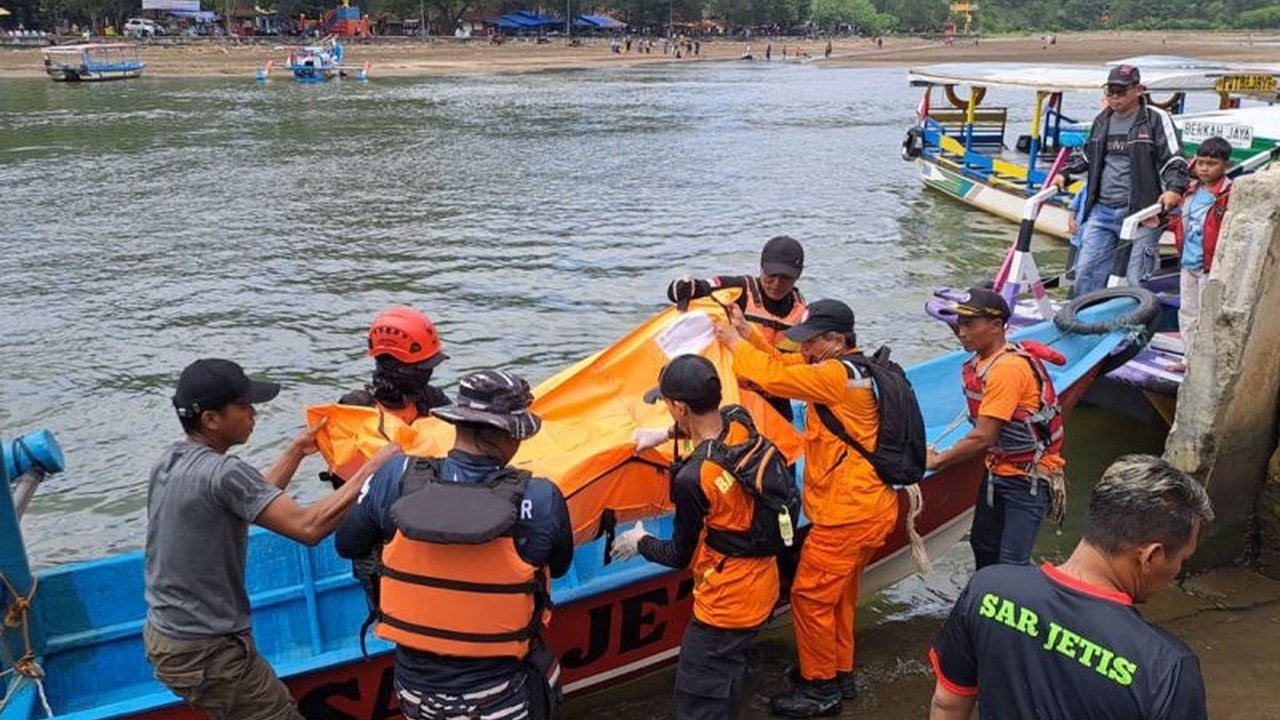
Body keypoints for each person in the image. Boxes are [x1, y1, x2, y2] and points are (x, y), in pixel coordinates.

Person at [144, 358, 395, 720]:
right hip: (209, 650)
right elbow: (309, 528)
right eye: (243, 407)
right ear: (211, 419)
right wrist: (373, 469)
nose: (253, 413)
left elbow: (248, 499)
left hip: (166, 637)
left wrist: (295, 451)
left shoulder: (169, 460)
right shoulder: (225, 472)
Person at [335, 369, 574, 720]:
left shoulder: (393, 477)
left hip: (415, 692)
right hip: (499, 695)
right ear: (511, 435)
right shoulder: (539, 498)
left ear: (457, 423)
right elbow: (561, 564)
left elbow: (348, 544)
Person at [717, 300, 899, 717]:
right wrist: (746, 332)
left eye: (812, 342)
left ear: (837, 340)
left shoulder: (835, 377)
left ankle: (820, 688)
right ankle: (840, 672)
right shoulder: (855, 370)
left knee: (810, 599)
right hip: (870, 508)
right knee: (838, 599)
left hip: (847, 516)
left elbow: (775, 378)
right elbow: (785, 365)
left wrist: (731, 343)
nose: (805, 349)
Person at [928, 454, 1213, 720]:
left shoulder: (988, 589)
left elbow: (947, 704)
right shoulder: (1166, 668)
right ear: (1152, 556)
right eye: (1182, 561)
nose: (1177, 572)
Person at [617, 354, 788, 720]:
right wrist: (663, 434)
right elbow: (712, 430)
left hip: (726, 604)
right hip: (764, 583)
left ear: (679, 406)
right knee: (728, 673)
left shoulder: (694, 479)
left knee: (700, 699)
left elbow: (679, 554)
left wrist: (640, 541)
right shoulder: (740, 420)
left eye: (666, 405)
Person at [925, 288, 1066, 570]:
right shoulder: (982, 360)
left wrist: (938, 460)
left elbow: (984, 436)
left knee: (1012, 563)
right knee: (984, 546)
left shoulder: (1006, 368)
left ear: (996, 326)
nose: (962, 332)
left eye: (970, 325)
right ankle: (983, 605)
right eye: (959, 325)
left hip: (1027, 479)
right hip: (996, 471)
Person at [1051, 64, 1190, 296]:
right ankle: (1084, 324)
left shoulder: (1155, 119)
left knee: (1136, 279)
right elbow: (1088, 156)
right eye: (1110, 91)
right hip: (1102, 211)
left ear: (1138, 90)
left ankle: (1133, 326)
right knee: (1086, 271)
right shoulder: (1102, 121)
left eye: (1121, 91)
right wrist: (1065, 173)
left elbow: (1174, 158)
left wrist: (1174, 188)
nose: (1115, 97)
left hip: (1142, 213)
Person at [668, 236, 808, 420]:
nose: (776, 284)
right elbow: (696, 288)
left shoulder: (802, 310)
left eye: (785, 278)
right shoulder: (738, 289)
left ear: (798, 275)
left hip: (774, 397)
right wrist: (683, 287)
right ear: (761, 268)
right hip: (734, 393)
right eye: (771, 275)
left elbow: (791, 363)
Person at [1170, 136, 1233, 363]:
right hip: (1188, 261)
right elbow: (1177, 221)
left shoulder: (1228, 194)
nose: (1204, 168)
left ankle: (1205, 362)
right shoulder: (1190, 191)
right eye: (1201, 162)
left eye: (1211, 163)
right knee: (1187, 312)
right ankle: (1188, 359)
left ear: (1226, 165)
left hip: (1210, 265)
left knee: (1208, 315)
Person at [337, 306, 450, 427]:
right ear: (397, 368)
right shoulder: (355, 408)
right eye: (423, 367)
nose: (429, 372)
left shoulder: (432, 399)